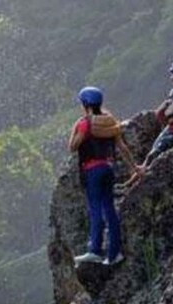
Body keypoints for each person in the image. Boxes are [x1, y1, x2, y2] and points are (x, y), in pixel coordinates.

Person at [68, 86, 143, 266]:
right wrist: (135, 167)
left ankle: (95, 250)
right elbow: (122, 147)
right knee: (109, 209)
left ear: (85, 104)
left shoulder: (85, 123)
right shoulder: (109, 122)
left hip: (92, 170)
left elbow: (73, 146)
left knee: (95, 209)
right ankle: (114, 253)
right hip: (108, 168)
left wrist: (77, 128)